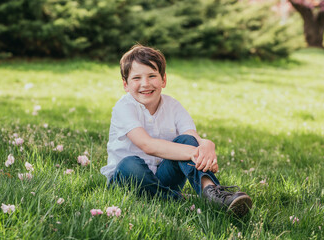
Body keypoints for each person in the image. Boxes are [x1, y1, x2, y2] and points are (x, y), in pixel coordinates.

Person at [100, 44, 252, 217]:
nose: (145, 83)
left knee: (187, 141)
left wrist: (206, 145)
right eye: (136, 78)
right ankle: (181, 200)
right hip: (128, 179)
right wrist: (195, 153)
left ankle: (212, 193)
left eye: (152, 76)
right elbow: (147, 145)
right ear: (125, 85)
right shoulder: (124, 108)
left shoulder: (173, 106)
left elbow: (192, 137)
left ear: (164, 80)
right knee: (130, 164)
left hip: (165, 177)